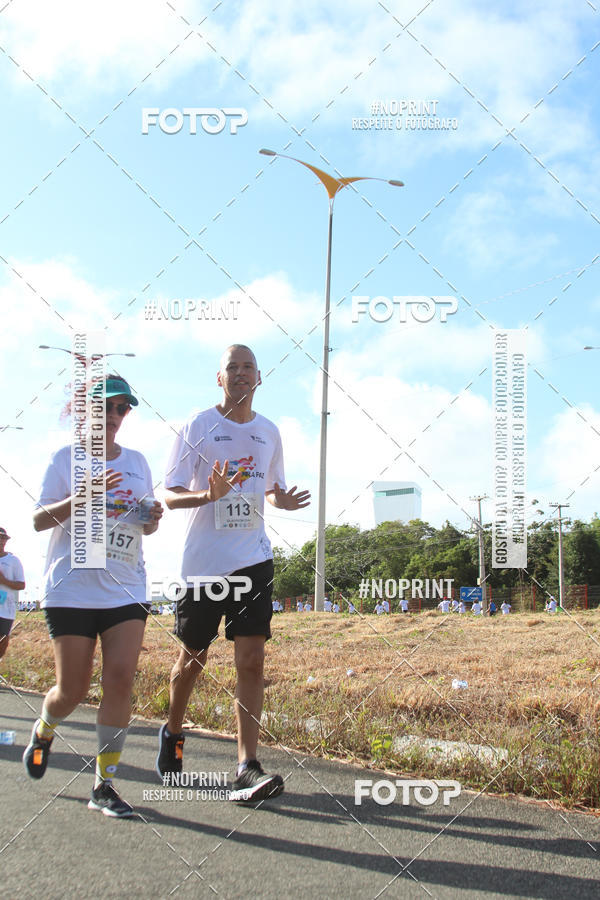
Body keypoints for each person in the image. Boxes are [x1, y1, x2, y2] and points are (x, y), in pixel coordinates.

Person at [157, 345, 310, 803]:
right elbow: (168, 495)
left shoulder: (269, 432)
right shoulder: (198, 426)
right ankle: (173, 730)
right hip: (204, 564)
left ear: (259, 378)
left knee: (251, 660)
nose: (241, 374)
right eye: (232, 368)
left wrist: (281, 500)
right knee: (193, 660)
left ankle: (247, 765)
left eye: (248, 367)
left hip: (254, 557)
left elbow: (272, 487)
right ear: (219, 378)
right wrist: (207, 495)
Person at [23, 375, 163, 818]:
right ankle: (46, 727)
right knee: (71, 690)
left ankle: (104, 785)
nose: (117, 416)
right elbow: (38, 519)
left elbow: (145, 524)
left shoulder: (138, 462)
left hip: (126, 586)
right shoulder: (65, 458)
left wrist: (153, 516)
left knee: (120, 679)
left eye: (124, 409)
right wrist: (78, 499)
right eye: (108, 407)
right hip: (72, 589)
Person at [0, 527, 26, 660]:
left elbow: (21, 584)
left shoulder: (13, 561)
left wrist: (4, 581)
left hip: (6, 609)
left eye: (3, 538)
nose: (1, 541)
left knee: (2, 643)